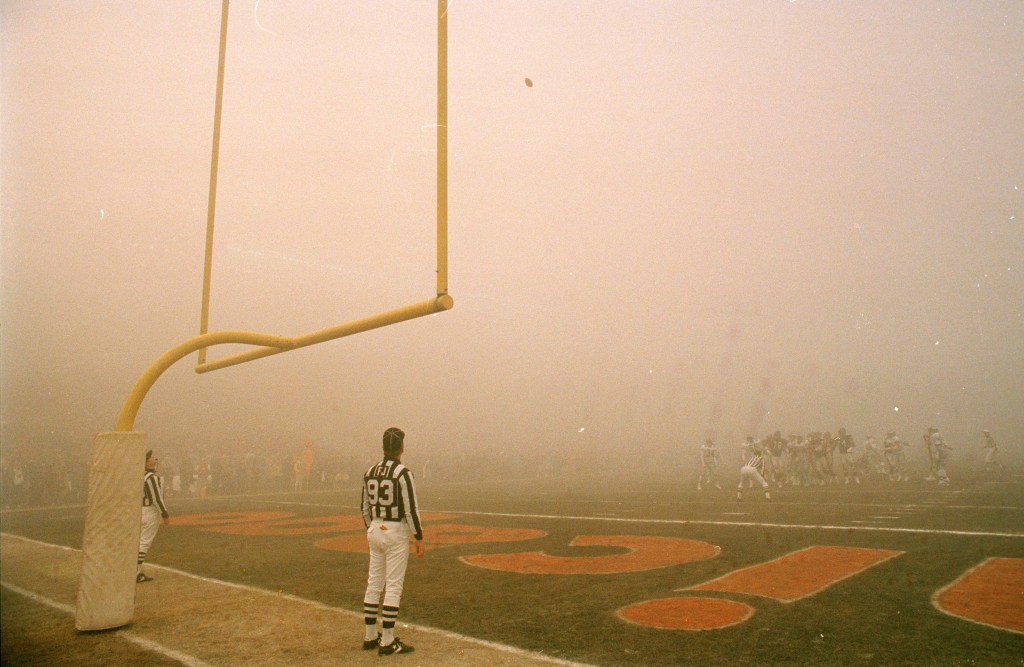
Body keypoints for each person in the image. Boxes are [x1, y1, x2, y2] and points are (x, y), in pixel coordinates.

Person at [361, 427, 424, 656]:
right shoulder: (403, 473)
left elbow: (364, 508)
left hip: (375, 527)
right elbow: (411, 508)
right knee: (393, 585)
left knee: (374, 582)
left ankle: (370, 636)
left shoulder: (370, 471)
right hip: (395, 531)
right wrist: (418, 536)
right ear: (401, 447)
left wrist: (372, 526)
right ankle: (387, 641)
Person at [138, 450, 170, 583]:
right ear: (146, 462)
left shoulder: (142, 476)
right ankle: (135, 571)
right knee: (144, 542)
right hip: (150, 511)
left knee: (139, 541)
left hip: (141, 510)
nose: (155, 458)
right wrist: (165, 513)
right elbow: (156, 498)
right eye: (151, 458)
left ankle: (137, 571)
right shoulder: (151, 478)